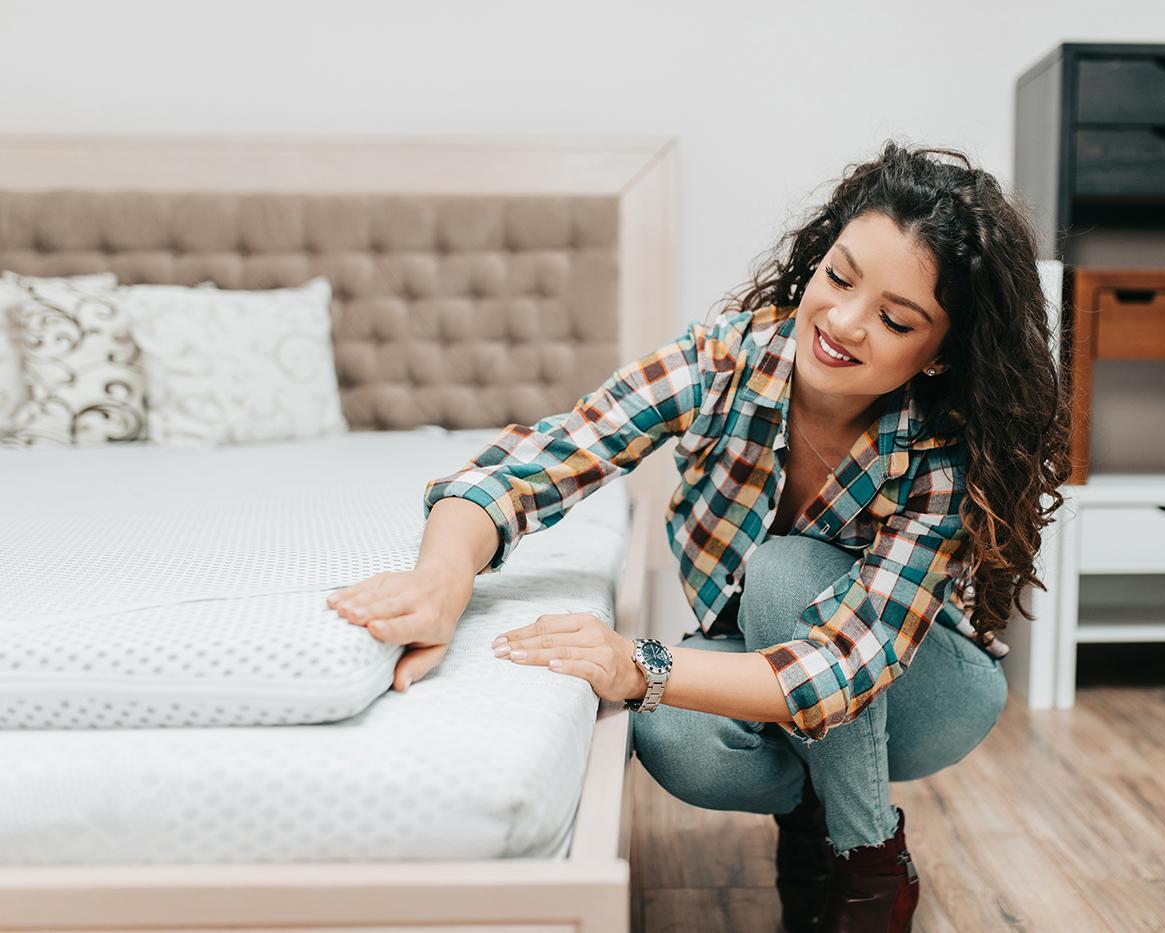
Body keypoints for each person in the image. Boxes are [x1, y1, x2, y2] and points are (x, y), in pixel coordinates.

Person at [326, 140, 1071, 933]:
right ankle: (813, 819)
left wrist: (634, 659)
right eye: (839, 277)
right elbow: (533, 463)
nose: (844, 323)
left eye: (894, 319)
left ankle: (868, 871)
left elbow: (845, 666)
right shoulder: (725, 362)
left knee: (785, 573)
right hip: (786, 673)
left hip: (925, 689)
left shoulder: (939, 455)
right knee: (669, 731)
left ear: (938, 354)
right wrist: (442, 581)